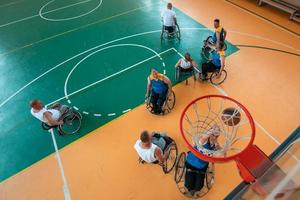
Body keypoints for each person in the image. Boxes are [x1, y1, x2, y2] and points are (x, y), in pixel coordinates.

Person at [184, 124, 221, 195]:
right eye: (213, 134)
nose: (215, 136)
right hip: (191, 162)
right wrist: (213, 129)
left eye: (217, 135)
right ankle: (189, 189)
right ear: (210, 133)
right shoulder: (203, 140)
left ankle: (195, 189)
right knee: (188, 184)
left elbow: (222, 154)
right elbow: (204, 136)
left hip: (201, 166)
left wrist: (216, 142)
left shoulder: (215, 144)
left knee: (199, 186)